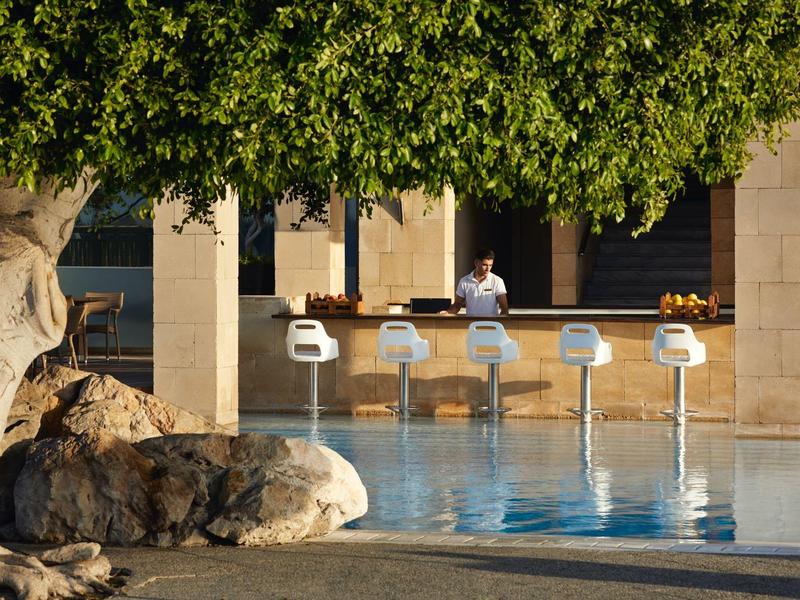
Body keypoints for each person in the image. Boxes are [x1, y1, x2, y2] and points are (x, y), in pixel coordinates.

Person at [440, 248, 509, 316]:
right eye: (484, 265)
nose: (488, 269)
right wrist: (446, 313)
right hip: (472, 325)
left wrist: (500, 324)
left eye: (490, 265)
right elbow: (456, 306)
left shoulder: (497, 281)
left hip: (492, 325)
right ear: (476, 263)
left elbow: (504, 309)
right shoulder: (464, 281)